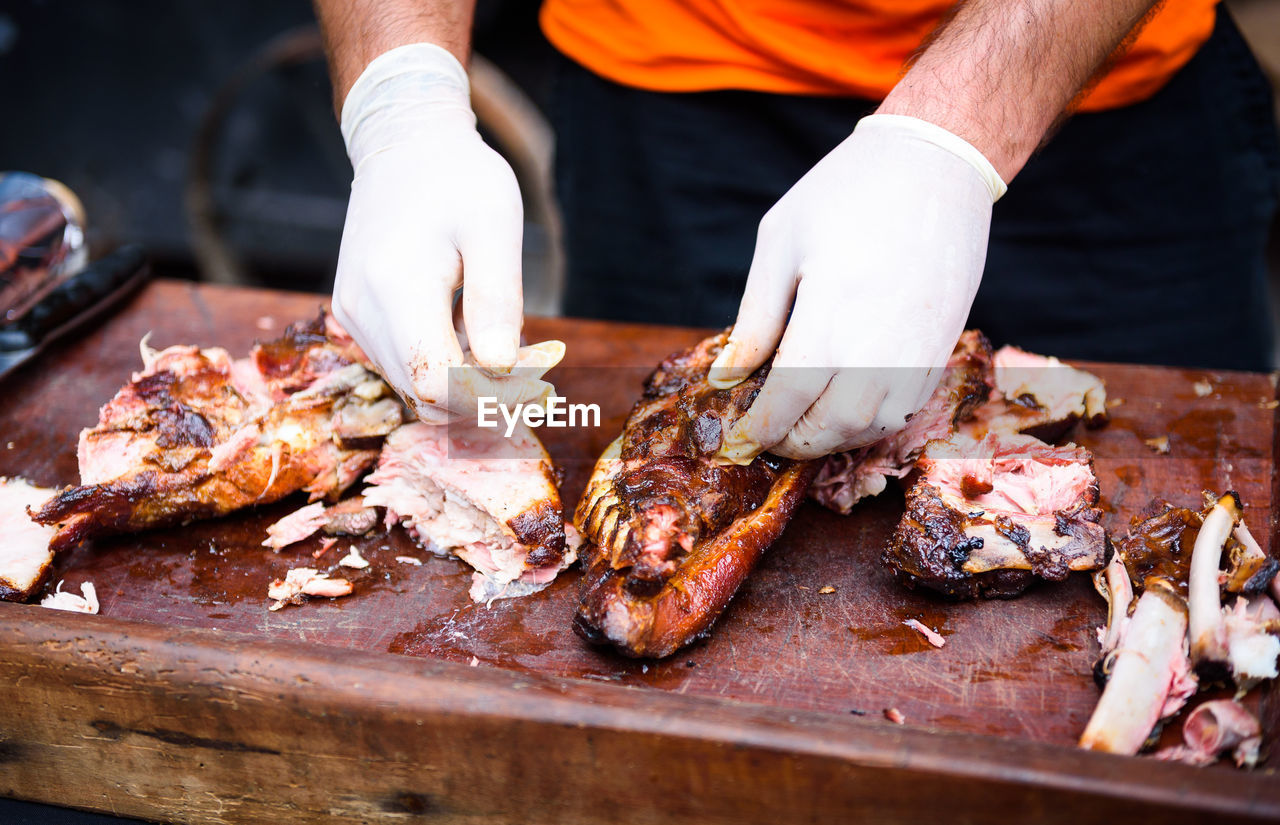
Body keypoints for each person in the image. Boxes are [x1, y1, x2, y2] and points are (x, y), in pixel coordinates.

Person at [314, 0, 1280, 462]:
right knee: (678, 472)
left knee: (1169, 488)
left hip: (1095, 85)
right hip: (675, 80)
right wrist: (400, 94)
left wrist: (953, 138)